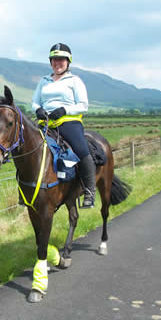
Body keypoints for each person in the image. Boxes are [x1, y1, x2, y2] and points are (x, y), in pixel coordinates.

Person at [31, 43, 96, 208]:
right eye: (54, 60)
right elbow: (34, 102)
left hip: (67, 122)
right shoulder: (44, 81)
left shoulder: (74, 81)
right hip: (45, 123)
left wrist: (64, 110)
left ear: (68, 62)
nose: (57, 63)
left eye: (61, 60)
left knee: (82, 150)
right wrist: (38, 110)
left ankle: (89, 192)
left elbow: (83, 105)